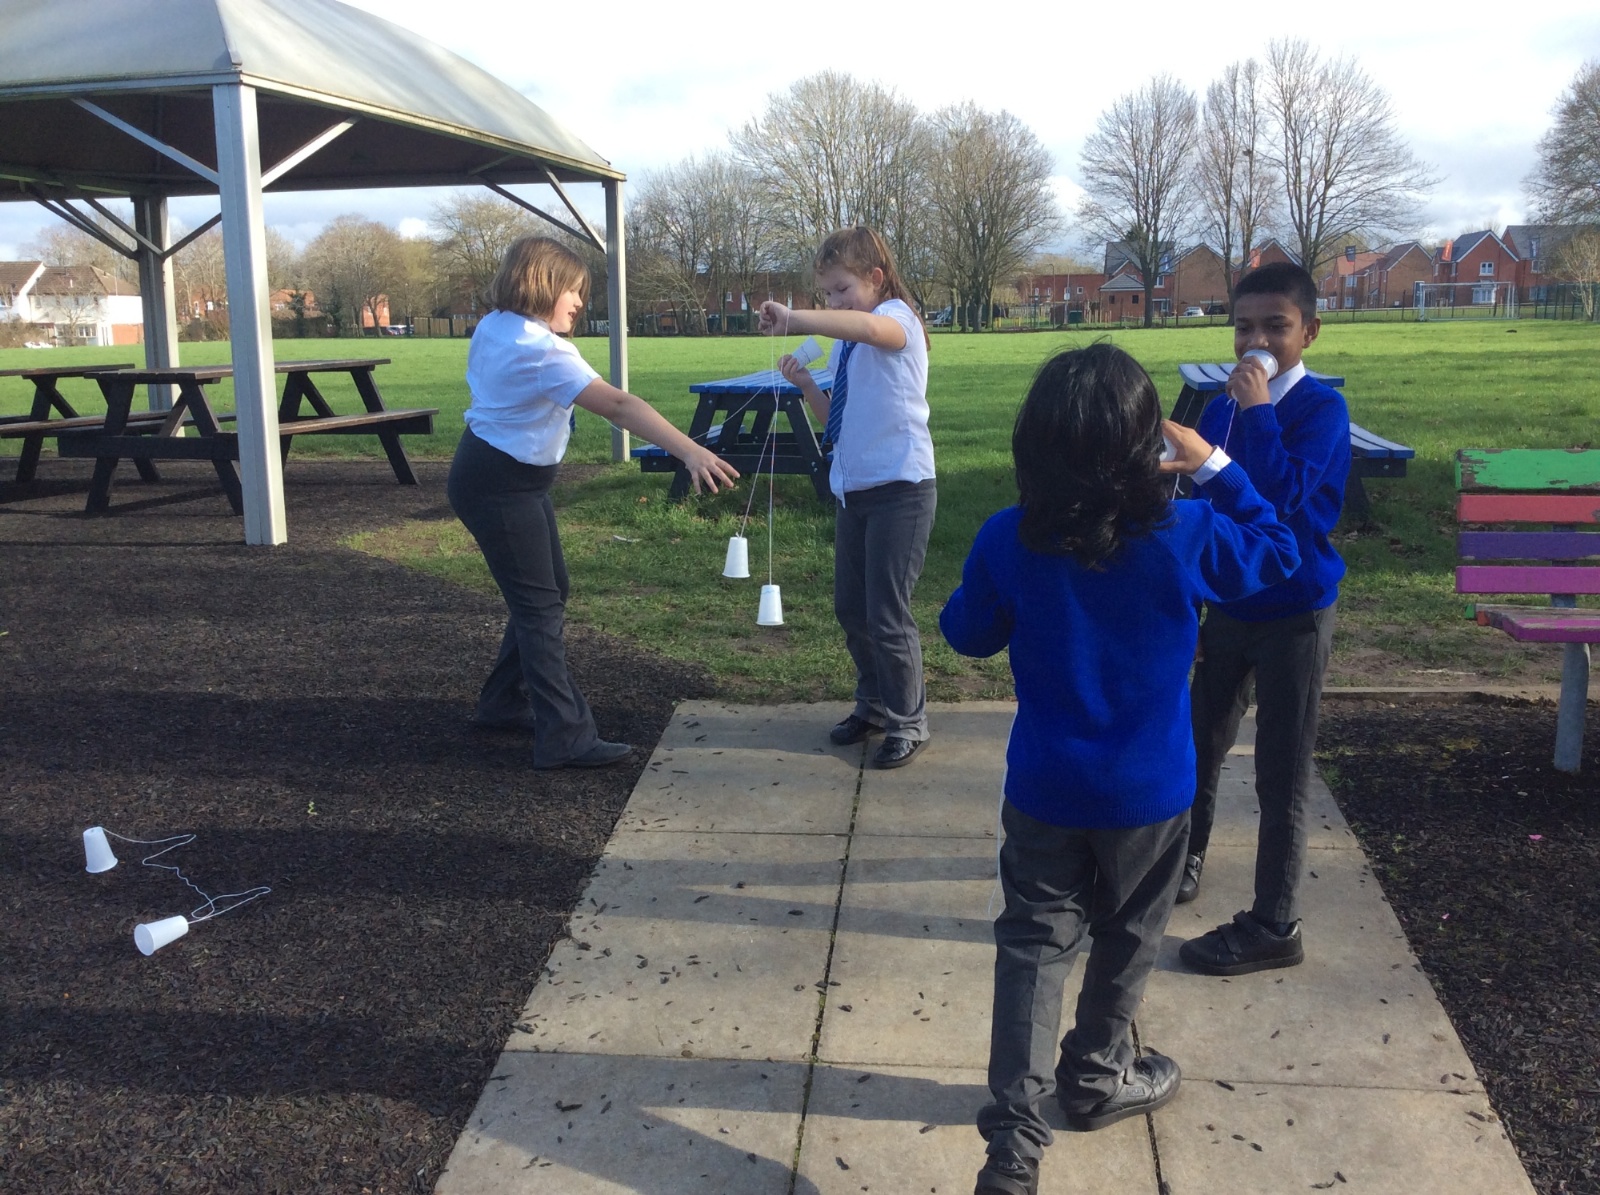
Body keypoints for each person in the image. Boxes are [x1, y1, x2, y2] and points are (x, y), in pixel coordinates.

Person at [939, 344, 1299, 1195]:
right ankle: (1096, 1074)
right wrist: (1213, 464)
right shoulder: (1186, 533)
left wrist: (995, 580)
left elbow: (966, 632)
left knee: (1032, 947)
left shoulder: (1008, 537)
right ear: (1147, 445)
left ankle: (1013, 1147)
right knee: (1130, 934)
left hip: (1045, 786)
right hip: (1151, 790)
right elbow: (1280, 550)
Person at [447, 236, 738, 770]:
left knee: (548, 592)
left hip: (495, 475)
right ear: (541, 285)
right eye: (573, 290)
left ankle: (502, 701)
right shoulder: (541, 351)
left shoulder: (496, 325)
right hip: (501, 485)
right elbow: (619, 406)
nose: (580, 302)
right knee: (539, 606)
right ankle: (565, 736)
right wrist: (691, 451)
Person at [1175, 260, 1351, 978]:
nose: (1257, 342)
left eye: (1276, 327)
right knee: (1199, 741)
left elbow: (1279, 503)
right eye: (1243, 327)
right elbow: (1200, 507)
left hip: (1295, 612)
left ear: (1309, 331)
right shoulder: (1218, 408)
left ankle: (1276, 921)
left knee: (1282, 767)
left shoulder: (1320, 411)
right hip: (1229, 605)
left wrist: (1257, 412)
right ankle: (1182, 857)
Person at [757, 226, 936, 769]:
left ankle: (908, 722)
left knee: (887, 613)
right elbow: (836, 419)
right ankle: (874, 706)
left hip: (901, 490)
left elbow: (868, 326)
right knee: (851, 609)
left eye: (841, 290)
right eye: (826, 294)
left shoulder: (897, 320)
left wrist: (796, 319)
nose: (834, 303)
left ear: (876, 278)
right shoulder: (849, 346)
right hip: (853, 491)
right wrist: (808, 386)